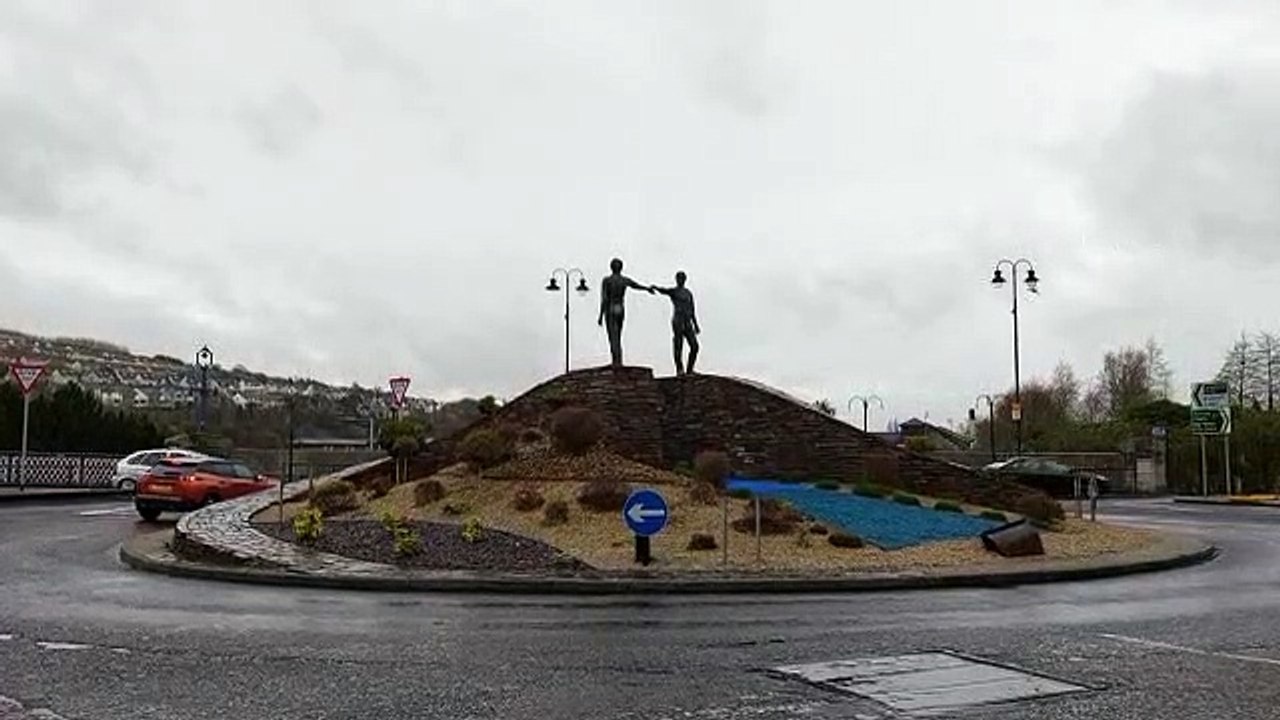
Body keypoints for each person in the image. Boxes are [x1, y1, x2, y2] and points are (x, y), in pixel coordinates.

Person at [598, 258, 653, 367]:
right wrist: (647, 289)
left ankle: (616, 361)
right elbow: (636, 285)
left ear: (611, 267)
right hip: (620, 308)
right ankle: (618, 360)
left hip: (611, 308)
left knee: (613, 336)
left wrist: (600, 315)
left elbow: (605, 298)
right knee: (618, 335)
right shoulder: (624, 280)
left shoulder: (607, 280)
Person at [651, 271, 700, 375]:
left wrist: (695, 324)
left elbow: (692, 309)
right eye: (679, 278)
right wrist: (655, 287)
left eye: (682, 278)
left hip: (687, 321)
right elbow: (664, 290)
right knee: (678, 344)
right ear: (676, 279)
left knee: (695, 346)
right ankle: (679, 368)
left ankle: (690, 369)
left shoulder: (688, 293)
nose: (680, 280)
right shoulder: (674, 291)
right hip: (678, 320)